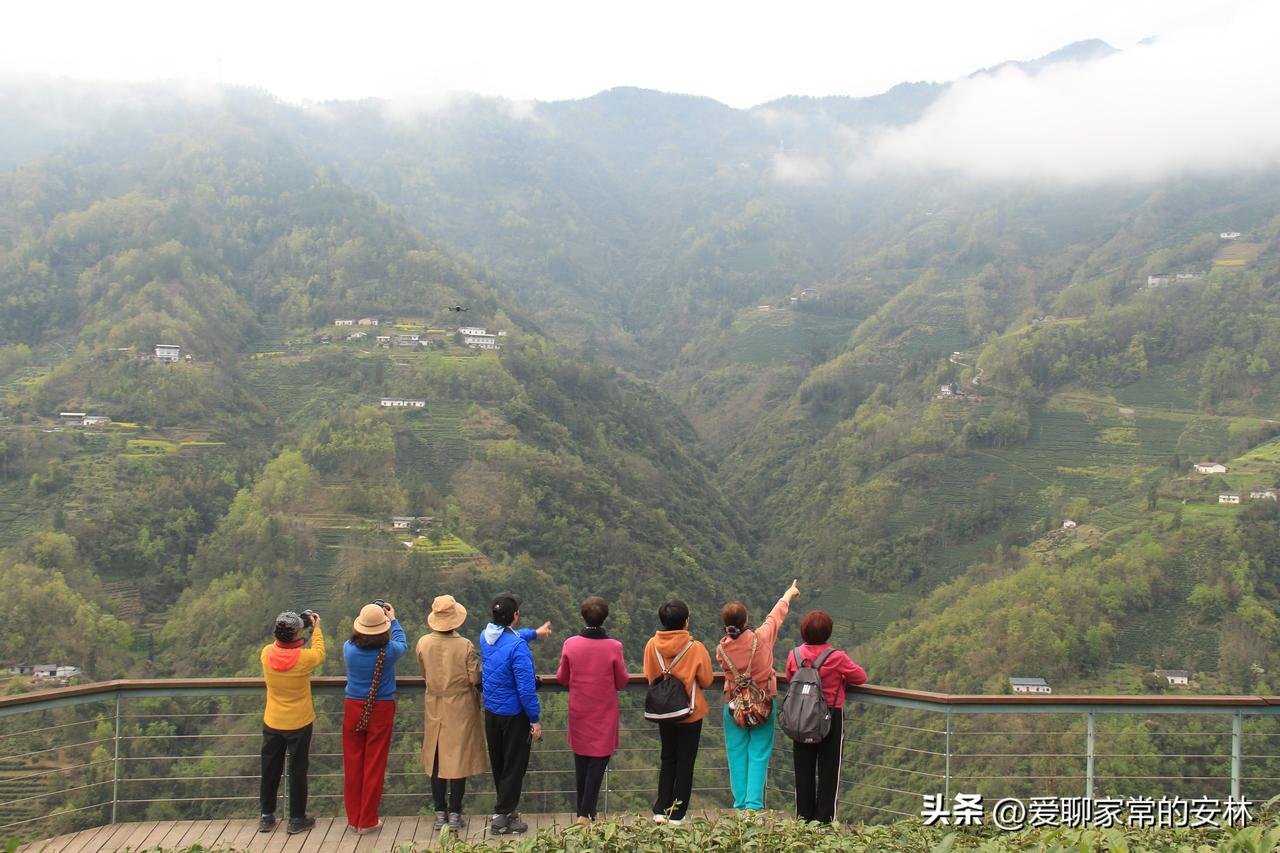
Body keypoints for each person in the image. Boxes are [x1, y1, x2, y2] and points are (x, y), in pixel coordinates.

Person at [717, 579, 801, 812]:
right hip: (762, 703)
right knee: (759, 752)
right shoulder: (760, 639)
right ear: (746, 622)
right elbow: (774, 619)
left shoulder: (721, 649)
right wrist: (788, 594)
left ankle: (740, 802)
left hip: (734, 706)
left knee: (736, 752)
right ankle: (753, 805)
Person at [785, 610, 867, 824]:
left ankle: (803, 819)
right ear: (828, 633)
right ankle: (823, 821)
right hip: (829, 717)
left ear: (803, 632)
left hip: (800, 717)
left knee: (803, 770)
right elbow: (860, 677)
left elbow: (790, 677)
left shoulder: (794, 655)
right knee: (829, 771)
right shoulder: (836, 657)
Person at [480, 593, 552, 835]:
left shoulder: (485, 637)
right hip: (514, 715)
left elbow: (512, 637)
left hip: (491, 711)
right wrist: (535, 719)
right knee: (515, 766)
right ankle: (502, 819)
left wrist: (535, 633)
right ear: (515, 616)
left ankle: (506, 811)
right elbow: (526, 688)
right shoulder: (518, 648)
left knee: (500, 763)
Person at [417, 594, 487, 833]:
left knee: (436, 759)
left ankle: (439, 813)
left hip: (434, 703)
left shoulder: (423, 643)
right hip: (461, 706)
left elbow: (424, 673)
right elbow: (475, 678)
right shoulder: (465, 645)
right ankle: (455, 813)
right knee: (458, 759)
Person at [556, 596, 628, 825]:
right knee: (599, 761)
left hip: (579, 710)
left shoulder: (570, 644)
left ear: (582, 616)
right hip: (603, 712)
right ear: (605, 617)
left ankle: (584, 813)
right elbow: (622, 681)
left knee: (582, 762)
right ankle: (585, 814)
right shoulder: (614, 647)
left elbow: (562, 677)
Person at [643, 599, 713, 826]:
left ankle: (660, 809)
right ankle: (678, 813)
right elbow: (707, 679)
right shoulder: (696, 648)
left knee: (668, 758)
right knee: (686, 762)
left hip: (665, 711)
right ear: (685, 621)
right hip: (689, 713)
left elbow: (649, 675)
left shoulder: (652, 645)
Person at [342, 600, 408, 834]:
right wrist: (394, 619)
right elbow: (402, 643)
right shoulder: (389, 652)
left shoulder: (348, 648)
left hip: (352, 707)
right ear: (382, 628)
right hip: (380, 708)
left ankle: (354, 818)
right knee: (374, 765)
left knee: (353, 764)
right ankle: (368, 820)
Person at [259, 610, 325, 835]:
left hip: (273, 720)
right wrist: (315, 628)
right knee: (297, 771)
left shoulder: (266, 653)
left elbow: (281, 645)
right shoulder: (304, 659)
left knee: (270, 769)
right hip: (299, 722)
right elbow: (319, 652)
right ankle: (297, 820)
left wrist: (295, 628)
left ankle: (266, 816)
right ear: (296, 635)